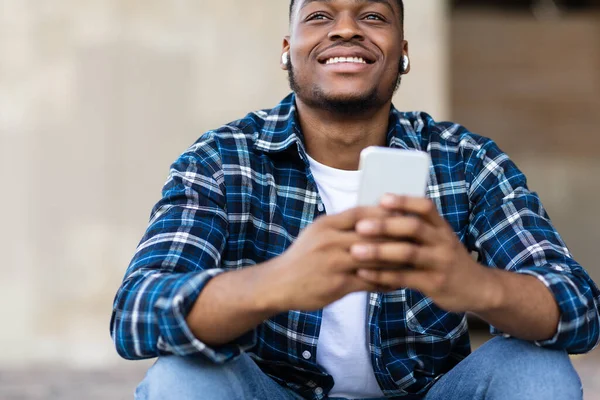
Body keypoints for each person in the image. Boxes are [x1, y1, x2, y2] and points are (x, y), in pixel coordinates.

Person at [110, 0, 600, 399]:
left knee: (538, 369)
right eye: (320, 16)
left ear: (401, 51)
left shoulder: (466, 161)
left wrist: (472, 285)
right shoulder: (221, 160)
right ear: (288, 49)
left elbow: (579, 309)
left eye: (372, 16)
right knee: (182, 377)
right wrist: (274, 284)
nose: (346, 29)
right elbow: (136, 313)